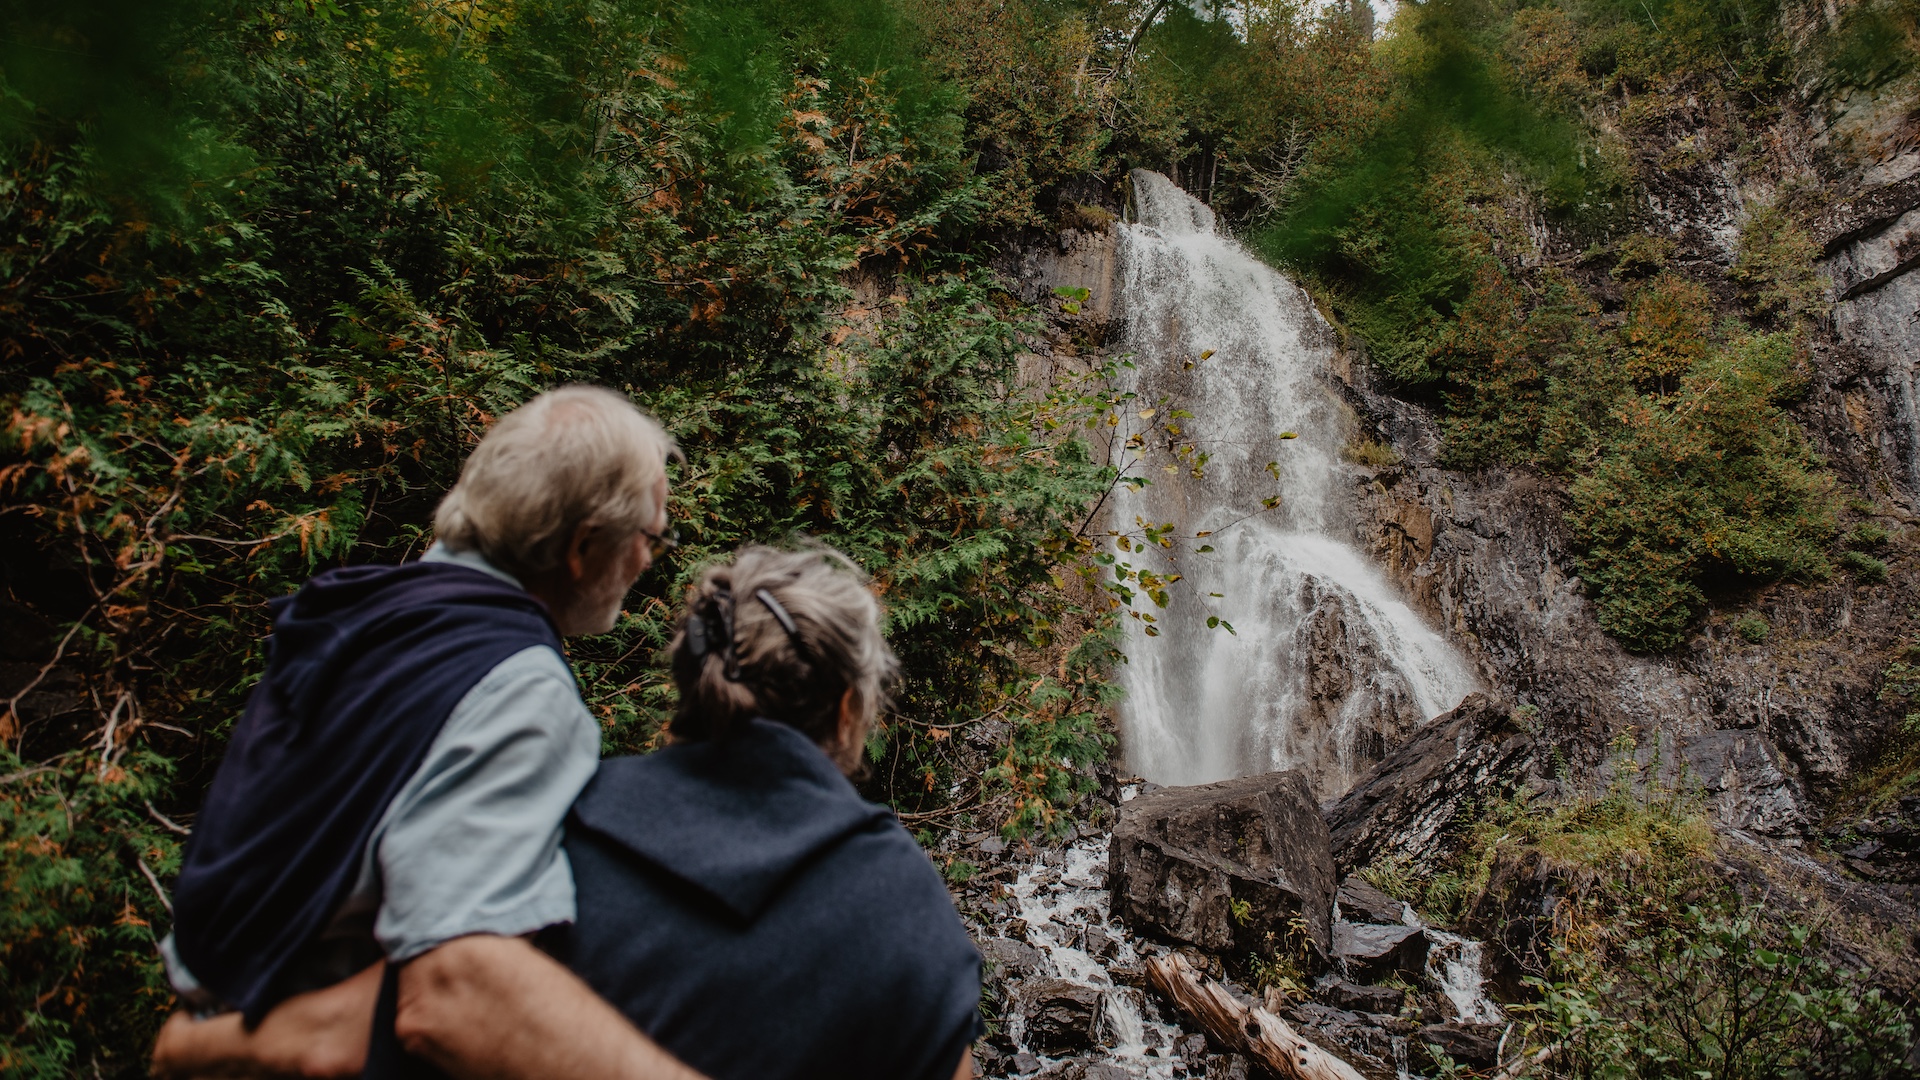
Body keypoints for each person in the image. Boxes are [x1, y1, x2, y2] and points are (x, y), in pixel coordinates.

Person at [161, 544, 984, 1080]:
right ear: (849, 710)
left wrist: (187, 1042)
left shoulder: (537, 840)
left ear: (690, 691)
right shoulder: (910, 917)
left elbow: (338, 1037)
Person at [152, 385, 703, 1080]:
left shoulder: (362, 612)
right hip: (290, 1045)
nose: (650, 561)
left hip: (217, 997)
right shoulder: (518, 685)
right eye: (651, 536)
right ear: (585, 545)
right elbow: (454, 991)